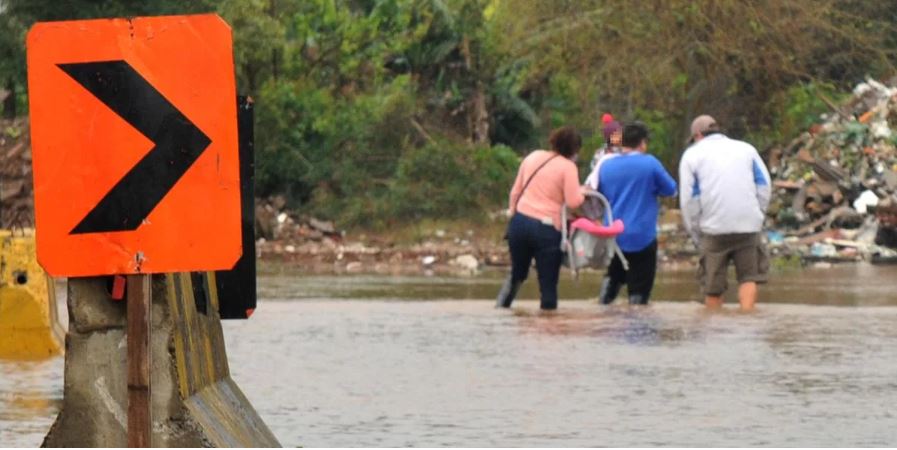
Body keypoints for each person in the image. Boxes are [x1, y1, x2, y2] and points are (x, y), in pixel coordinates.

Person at [678, 115, 771, 311]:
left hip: (713, 229)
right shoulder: (746, 149)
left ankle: (715, 331)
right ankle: (747, 321)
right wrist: (758, 215)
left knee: (713, 286)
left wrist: (696, 232)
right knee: (748, 277)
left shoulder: (692, 155)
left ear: (697, 135)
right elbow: (764, 185)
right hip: (748, 225)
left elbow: (688, 200)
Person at [496, 126, 587, 310]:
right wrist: (583, 192)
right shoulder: (568, 167)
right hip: (546, 230)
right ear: (574, 149)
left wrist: (514, 216)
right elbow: (573, 202)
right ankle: (548, 329)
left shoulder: (533, 157)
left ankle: (501, 309)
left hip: (519, 224)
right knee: (547, 284)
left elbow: (515, 191)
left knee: (517, 273)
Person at [587, 122, 677, 305]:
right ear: (642, 142)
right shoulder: (650, 163)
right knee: (639, 292)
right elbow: (671, 190)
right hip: (642, 236)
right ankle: (637, 325)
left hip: (613, 235)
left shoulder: (606, 166)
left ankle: (602, 308)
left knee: (613, 278)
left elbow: (595, 194)